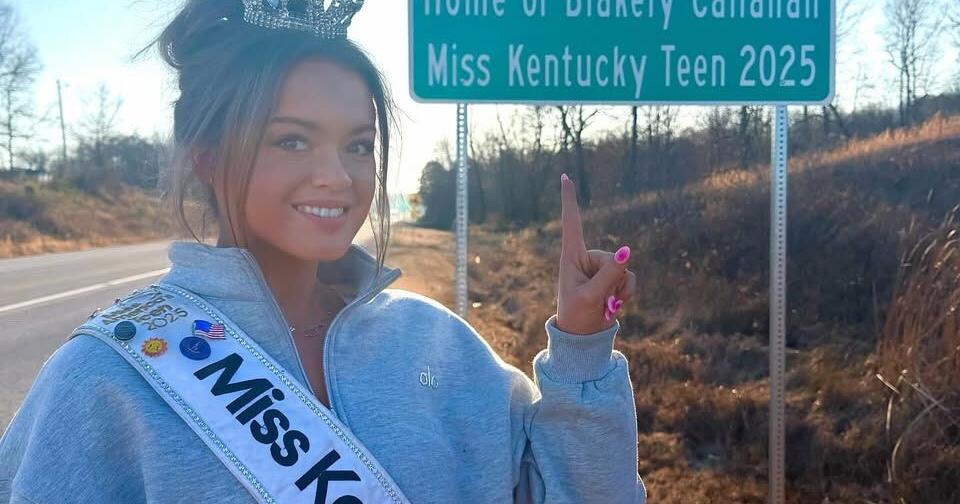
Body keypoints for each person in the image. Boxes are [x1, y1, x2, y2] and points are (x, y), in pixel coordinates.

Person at [0, 1, 646, 502]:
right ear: (208, 156)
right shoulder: (108, 378)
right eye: (292, 141)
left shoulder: (437, 346)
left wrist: (582, 349)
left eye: (359, 145)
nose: (338, 176)